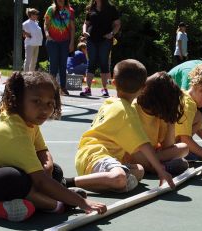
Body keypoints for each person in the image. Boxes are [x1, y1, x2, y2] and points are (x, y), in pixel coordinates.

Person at [0, 72, 107, 222]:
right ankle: (56, 205)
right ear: (19, 100)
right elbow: (40, 181)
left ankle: (5, 206)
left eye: (50, 103)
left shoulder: (26, 118)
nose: (45, 109)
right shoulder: (14, 131)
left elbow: (42, 151)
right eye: (36, 101)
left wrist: (47, 167)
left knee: (55, 170)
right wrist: (82, 203)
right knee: (15, 178)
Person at [72, 59, 175, 193]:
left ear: (113, 82)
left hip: (86, 156)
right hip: (97, 156)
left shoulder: (109, 102)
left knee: (139, 170)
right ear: (143, 87)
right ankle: (68, 183)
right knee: (120, 178)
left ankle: (104, 180)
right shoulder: (126, 111)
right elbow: (143, 144)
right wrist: (161, 171)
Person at [128, 72, 189, 175]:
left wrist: (171, 120)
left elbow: (168, 146)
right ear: (160, 101)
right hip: (134, 154)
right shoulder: (132, 109)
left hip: (153, 153)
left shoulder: (159, 114)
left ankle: (155, 165)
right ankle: (160, 166)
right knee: (137, 156)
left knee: (184, 147)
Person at [80, 0, 121, 97]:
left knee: (104, 63)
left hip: (105, 39)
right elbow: (86, 23)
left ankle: (105, 89)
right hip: (91, 39)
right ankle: (88, 88)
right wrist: (84, 32)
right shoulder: (91, 8)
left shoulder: (111, 8)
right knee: (91, 63)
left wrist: (112, 34)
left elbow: (117, 24)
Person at [44, 0, 75, 96]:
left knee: (63, 65)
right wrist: (47, 34)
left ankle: (63, 87)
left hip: (65, 42)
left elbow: (72, 28)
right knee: (53, 65)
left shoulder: (70, 10)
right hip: (52, 41)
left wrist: (72, 43)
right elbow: (46, 24)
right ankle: (51, 88)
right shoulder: (51, 9)